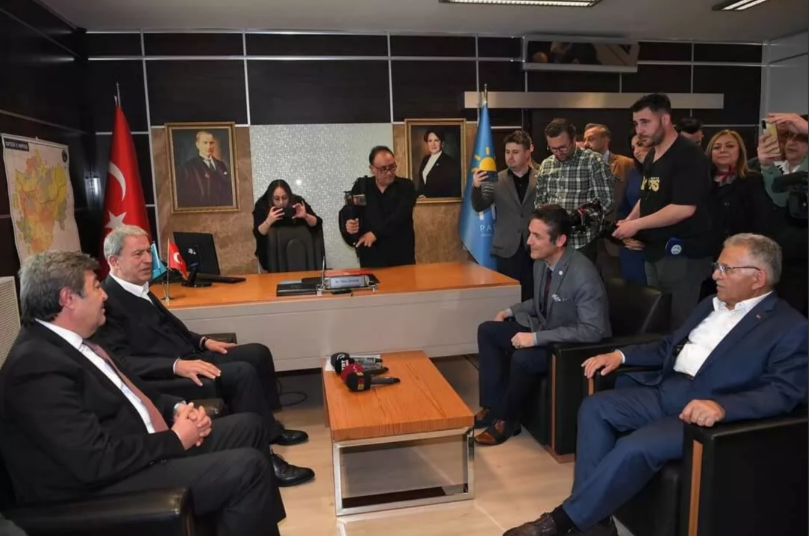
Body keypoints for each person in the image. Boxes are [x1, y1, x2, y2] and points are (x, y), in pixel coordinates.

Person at [503, 233, 808, 536]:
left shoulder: (789, 327)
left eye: (726, 269)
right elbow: (667, 346)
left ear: (758, 278)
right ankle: (596, 523)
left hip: (702, 415)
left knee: (635, 447)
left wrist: (723, 407)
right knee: (596, 407)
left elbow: (784, 392)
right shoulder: (710, 305)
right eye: (717, 266)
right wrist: (620, 354)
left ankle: (559, 522)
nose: (715, 275)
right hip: (668, 390)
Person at [0, 251, 288, 536]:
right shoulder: (35, 367)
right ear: (68, 299)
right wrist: (175, 439)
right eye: (96, 287)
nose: (104, 296)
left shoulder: (74, 343)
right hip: (98, 488)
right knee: (247, 470)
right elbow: (93, 460)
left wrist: (177, 409)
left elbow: (135, 392)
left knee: (249, 426)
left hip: (135, 451)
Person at [93, 225, 315, 487]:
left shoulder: (138, 287)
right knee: (242, 372)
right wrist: (175, 365)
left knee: (257, 353)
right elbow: (122, 363)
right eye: (137, 254)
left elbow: (174, 328)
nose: (148, 260)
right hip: (170, 374)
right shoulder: (107, 303)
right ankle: (267, 457)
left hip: (190, 356)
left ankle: (269, 428)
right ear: (114, 261)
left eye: (148, 252)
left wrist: (204, 341)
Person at [474, 205, 610, 446]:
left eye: (537, 236)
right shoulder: (541, 262)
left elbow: (592, 330)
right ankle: (493, 407)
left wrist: (535, 339)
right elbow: (540, 302)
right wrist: (510, 311)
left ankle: (507, 419)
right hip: (547, 331)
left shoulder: (583, 274)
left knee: (523, 358)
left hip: (570, 347)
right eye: (530, 233)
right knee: (488, 331)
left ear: (560, 241)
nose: (529, 242)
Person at [614, 94, 713, 330]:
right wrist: (629, 221)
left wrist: (637, 225)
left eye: (645, 122)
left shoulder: (688, 154)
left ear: (665, 119)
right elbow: (647, 195)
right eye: (636, 123)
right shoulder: (652, 155)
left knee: (678, 322)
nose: (639, 130)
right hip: (654, 251)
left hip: (682, 253)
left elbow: (683, 208)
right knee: (657, 319)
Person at [535, 119, 615, 265]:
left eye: (562, 147)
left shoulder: (593, 161)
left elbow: (606, 200)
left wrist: (580, 217)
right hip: (553, 242)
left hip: (582, 243)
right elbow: (539, 201)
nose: (558, 152)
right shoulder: (546, 165)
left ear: (573, 140)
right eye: (553, 148)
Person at [471, 130, 539, 302]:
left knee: (534, 296)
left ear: (527, 152)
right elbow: (479, 205)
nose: (510, 157)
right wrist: (476, 187)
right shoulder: (496, 179)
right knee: (510, 298)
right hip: (507, 249)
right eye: (507, 152)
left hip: (535, 246)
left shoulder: (541, 177)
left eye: (515, 152)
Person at [338, 146, 416, 268]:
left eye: (392, 167)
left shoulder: (406, 186)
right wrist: (350, 225)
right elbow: (351, 211)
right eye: (383, 169)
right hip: (371, 257)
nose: (389, 172)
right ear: (372, 169)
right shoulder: (362, 187)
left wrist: (376, 234)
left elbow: (400, 216)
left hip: (400, 258)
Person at [583, 123, 635, 261]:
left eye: (591, 139)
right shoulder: (579, 167)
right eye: (585, 139)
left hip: (614, 237)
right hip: (586, 238)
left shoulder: (626, 164)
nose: (586, 144)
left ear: (606, 140)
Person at [253, 179, 322, 272]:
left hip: (299, 255)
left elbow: (317, 223)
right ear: (270, 198)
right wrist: (268, 221)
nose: (281, 202)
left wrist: (305, 216)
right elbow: (258, 233)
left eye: (285, 198)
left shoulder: (297, 202)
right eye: (276, 199)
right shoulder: (262, 205)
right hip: (271, 257)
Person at [617, 135, 649, 285]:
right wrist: (624, 231)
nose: (636, 151)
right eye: (633, 147)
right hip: (630, 244)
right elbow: (624, 207)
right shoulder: (634, 172)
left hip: (654, 246)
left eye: (641, 145)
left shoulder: (668, 173)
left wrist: (645, 238)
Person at [176, 130, 234, 208]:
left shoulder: (221, 165)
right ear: (197, 145)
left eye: (211, 143)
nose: (209, 147)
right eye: (205, 143)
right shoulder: (188, 168)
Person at [414, 129, 461, 198]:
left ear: (442, 143)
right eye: (430, 141)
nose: (433, 144)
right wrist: (421, 195)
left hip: (441, 202)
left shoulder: (449, 161)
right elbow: (422, 184)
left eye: (436, 140)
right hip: (424, 202)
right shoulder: (425, 159)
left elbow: (451, 188)